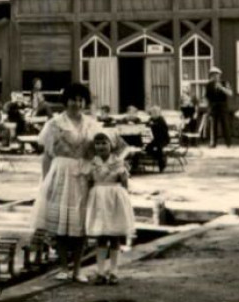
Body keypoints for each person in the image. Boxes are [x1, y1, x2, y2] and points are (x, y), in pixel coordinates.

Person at [31, 81, 98, 282]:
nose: (76, 103)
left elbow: (99, 152)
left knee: (80, 223)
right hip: (59, 172)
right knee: (59, 222)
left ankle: (77, 269)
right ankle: (63, 267)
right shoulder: (54, 124)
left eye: (80, 99)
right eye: (73, 99)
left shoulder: (92, 124)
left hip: (83, 172)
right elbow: (47, 155)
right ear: (65, 101)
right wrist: (45, 181)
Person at [84, 131, 134, 285]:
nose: (101, 146)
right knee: (101, 236)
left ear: (111, 145)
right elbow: (89, 182)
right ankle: (100, 271)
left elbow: (124, 184)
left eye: (104, 143)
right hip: (99, 199)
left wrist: (123, 200)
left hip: (114, 199)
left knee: (114, 235)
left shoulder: (118, 162)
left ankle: (114, 271)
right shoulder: (93, 162)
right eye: (97, 143)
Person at [203, 67, 233, 148]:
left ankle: (228, 143)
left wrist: (222, 88)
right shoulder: (209, 85)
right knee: (213, 125)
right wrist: (208, 108)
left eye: (216, 74)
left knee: (225, 124)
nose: (215, 76)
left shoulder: (224, 83)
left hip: (223, 105)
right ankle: (213, 143)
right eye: (213, 75)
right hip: (213, 106)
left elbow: (230, 93)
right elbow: (207, 97)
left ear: (219, 75)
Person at [144, 105, 172, 173]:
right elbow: (146, 125)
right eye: (153, 112)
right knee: (147, 149)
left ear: (159, 113)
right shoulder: (151, 119)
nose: (154, 114)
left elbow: (164, 130)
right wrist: (149, 124)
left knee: (159, 148)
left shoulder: (161, 119)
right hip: (156, 139)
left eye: (156, 112)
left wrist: (154, 125)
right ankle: (161, 160)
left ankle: (161, 166)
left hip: (164, 139)